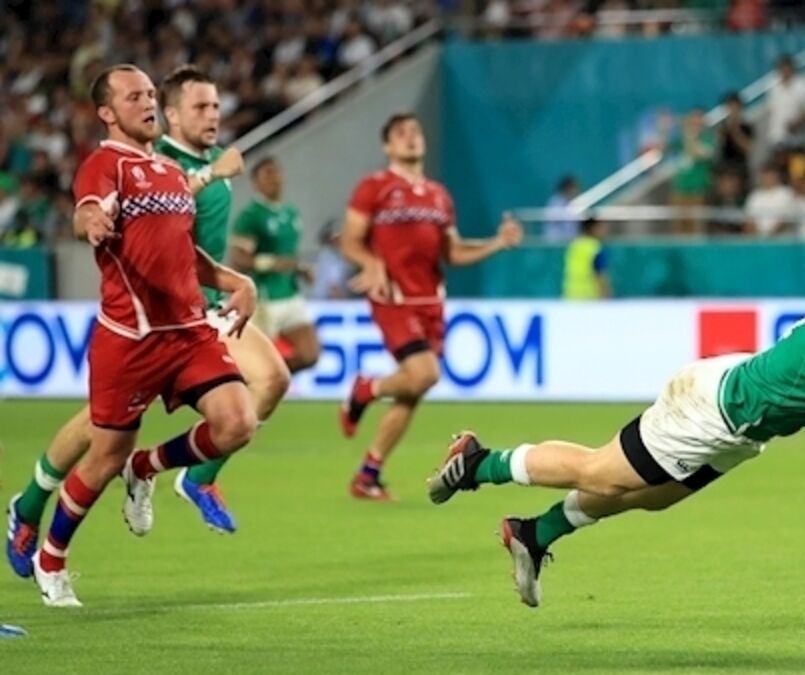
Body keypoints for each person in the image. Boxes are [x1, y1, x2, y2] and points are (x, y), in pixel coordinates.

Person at [427, 260, 805, 607]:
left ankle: (532, 533)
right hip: (709, 409)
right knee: (600, 473)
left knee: (655, 497)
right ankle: (479, 462)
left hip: (745, 428)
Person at [5, 66, 274, 581]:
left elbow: (182, 240)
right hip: (140, 327)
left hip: (195, 314)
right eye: (200, 107)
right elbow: (92, 206)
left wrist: (235, 278)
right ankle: (33, 506)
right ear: (174, 114)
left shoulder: (181, 166)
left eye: (217, 106)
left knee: (266, 386)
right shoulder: (148, 163)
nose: (213, 115)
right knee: (100, 435)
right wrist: (89, 220)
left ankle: (175, 474)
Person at [337, 113, 523, 501]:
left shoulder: (439, 195)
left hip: (431, 303)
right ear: (387, 146)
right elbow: (350, 240)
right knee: (424, 374)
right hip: (395, 298)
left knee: (413, 389)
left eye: (415, 132)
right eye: (401, 134)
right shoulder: (374, 187)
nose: (411, 138)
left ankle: (368, 474)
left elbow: (452, 252)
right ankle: (365, 389)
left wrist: (496, 243)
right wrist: (371, 263)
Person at [229, 157, 321, 373]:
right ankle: (252, 384)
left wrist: (300, 269)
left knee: (309, 355)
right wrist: (270, 263)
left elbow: (288, 256)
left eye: (277, 173)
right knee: (256, 363)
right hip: (265, 299)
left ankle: (270, 381)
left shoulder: (290, 212)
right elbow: (238, 259)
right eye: (268, 174)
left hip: (290, 293)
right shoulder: (251, 216)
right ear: (256, 182)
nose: (275, 179)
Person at [561, 217, 610, 300]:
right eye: (601, 228)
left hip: (571, 296)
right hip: (589, 298)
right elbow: (600, 275)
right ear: (594, 228)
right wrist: (606, 296)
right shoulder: (595, 248)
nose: (604, 231)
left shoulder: (573, 246)